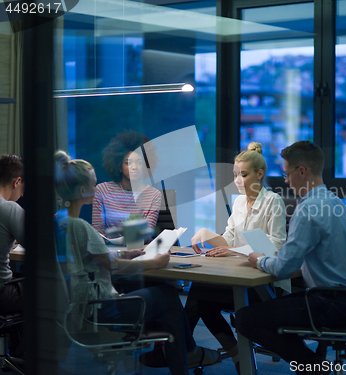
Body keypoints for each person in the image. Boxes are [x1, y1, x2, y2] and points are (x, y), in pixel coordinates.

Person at [54, 151, 219, 375]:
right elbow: (114, 267)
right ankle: (189, 354)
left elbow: (102, 260)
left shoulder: (60, 222)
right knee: (169, 296)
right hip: (100, 309)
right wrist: (154, 264)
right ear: (82, 191)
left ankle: (184, 358)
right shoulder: (82, 228)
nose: (98, 187)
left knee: (169, 315)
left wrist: (125, 255)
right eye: (93, 184)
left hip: (82, 307)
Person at [234, 141, 346, 375]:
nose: (286, 180)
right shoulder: (334, 202)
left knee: (245, 318)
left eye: (287, 174)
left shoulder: (307, 209)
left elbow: (283, 269)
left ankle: (315, 368)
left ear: (301, 171)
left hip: (328, 304)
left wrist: (258, 260)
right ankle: (312, 365)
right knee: (265, 310)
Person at [184, 142, 286, 373]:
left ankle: (184, 351)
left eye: (243, 175)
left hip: (265, 283)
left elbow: (275, 245)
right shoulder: (239, 201)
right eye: (235, 175)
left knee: (199, 295)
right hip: (239, 277)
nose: (238, 181)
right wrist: (206, 235)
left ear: (260, 174)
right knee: (200, 297)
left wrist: (234, 249)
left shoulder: (273, 201)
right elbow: (229, 238)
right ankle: (235, 355)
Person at [92, 131, 161, 237]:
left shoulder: (153, 195)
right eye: (128, 163)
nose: (134, 167)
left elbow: (146, 235)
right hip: (112, 251)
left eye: (139, 162)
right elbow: (97, 233)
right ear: (119, 166)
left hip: (141, 250)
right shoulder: (102, 190)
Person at [0, 154, 25, 316]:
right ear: (16, 182)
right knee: (53, 288)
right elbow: (41, 246)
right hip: (2, 293)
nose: (22, 194)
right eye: (24, 188)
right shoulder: (9, 208)